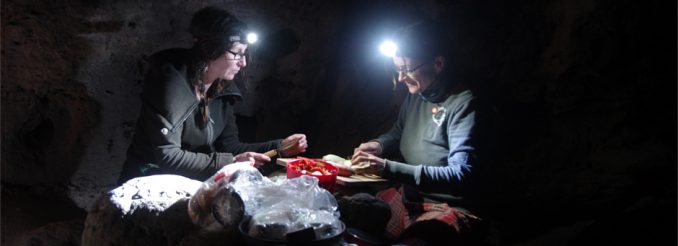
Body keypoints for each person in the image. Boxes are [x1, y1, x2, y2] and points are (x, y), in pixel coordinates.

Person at [118, 7, 307, 184]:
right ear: (211, 49)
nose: (243, 63)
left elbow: (230, 147)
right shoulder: (171, 83)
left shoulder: (223, 91)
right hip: (149, 178)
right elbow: (169, 157)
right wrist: (231, 161)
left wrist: (279, 147)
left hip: (188, 181)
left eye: (245, 54)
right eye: (237, 53)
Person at [350, 20, 488, 244]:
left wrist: (388, 168)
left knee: (417, 241)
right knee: (352, 216)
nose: (402, 78)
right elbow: (399, 131)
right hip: (409, 197)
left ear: (438, 63)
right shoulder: (417, 93)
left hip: (446, 206)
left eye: (407, 69)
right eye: (398, 70)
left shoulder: (464, 104)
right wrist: (381, 145)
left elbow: (460, 173)